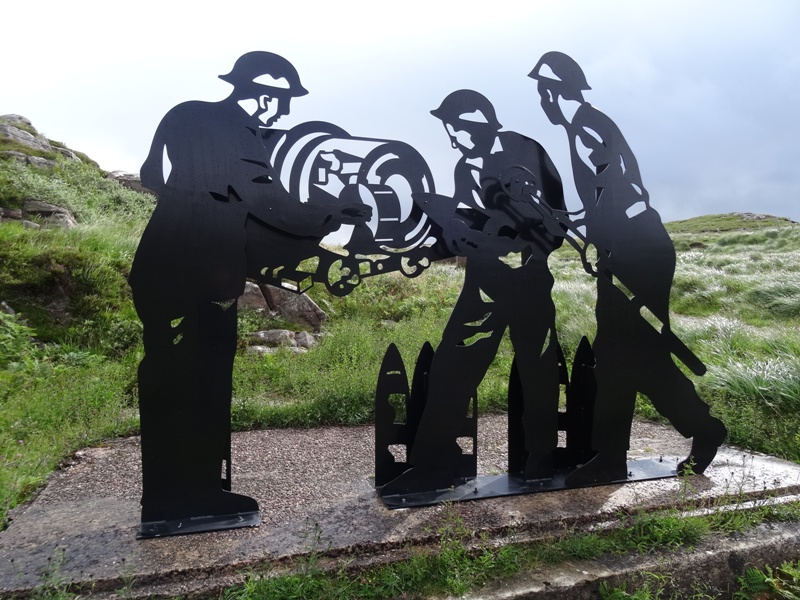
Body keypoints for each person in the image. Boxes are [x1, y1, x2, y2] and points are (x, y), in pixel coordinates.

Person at [130, 51, 370, 535]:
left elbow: (151, 175)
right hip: (189, 276)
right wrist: (333, 210)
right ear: (260, 94)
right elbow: (267, 201)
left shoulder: (187, 114)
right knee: (191, 381)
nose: (283, 113)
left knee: (191, 377)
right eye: (281, 101)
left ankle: (192, 488)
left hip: (172, 266)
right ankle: (180, 496)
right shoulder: (236, 134)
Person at [528, 51, 726, 485]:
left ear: (553, 91)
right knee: (641, 355)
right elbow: (604, 195)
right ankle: (702, 429)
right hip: (632, 245)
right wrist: (572, 221)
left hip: (635, 249)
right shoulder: (586, 125)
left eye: (542, 92)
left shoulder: (585, 127)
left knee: (617, 355)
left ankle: (611, 457)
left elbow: (616, 186)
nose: (541, 102)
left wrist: (603, 237)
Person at [382, 90, 566, 494]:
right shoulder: (466, 168)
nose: (452, 140)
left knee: (539, 370)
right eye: (449, 131)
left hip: (530, 282)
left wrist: (529, 246)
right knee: (453, 366)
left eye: (457, 131)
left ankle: (540, 459)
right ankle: (431, 463)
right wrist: (436, 246)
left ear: (479, 125)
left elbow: (559, 219)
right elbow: (473, 224)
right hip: (484, 285)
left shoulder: (525, 148)